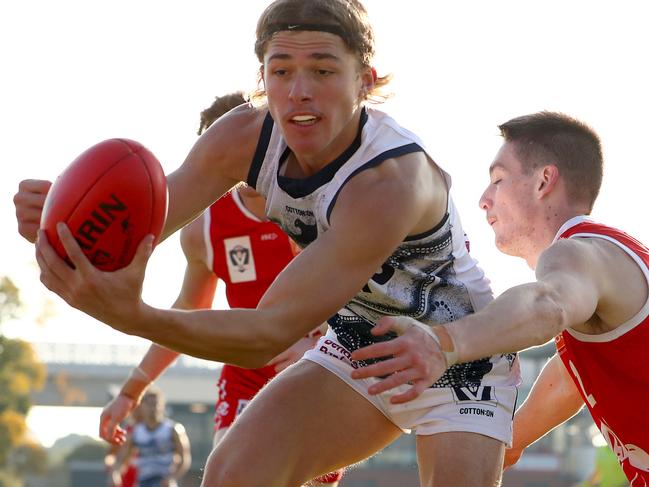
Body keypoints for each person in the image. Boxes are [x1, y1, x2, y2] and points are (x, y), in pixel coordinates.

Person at [15, 1, 520, 485]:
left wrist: (132, 316)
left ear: (364, 82)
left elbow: (267, 334)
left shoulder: (387, 182)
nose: (299, 91)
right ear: (262, 80)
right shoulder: (241, 137)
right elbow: (145, 222)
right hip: (360, 337)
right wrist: (67, 220)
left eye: (322, 71)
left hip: (458, 351)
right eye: (281, 71)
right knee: (234, 476)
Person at [350, 111, 649, 485]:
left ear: (544, 182)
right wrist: (514, 439)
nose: (483, 200)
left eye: (498, 180)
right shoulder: (612, 261)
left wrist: (444, 342)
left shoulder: (576, 252)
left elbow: (547, 304)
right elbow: (572, 374)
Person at [99, 92, 342, 487]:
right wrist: (131, 392)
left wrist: (318, 346)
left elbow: (366, 293)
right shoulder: (203, 228)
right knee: (225, 477)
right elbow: (187, 313)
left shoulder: (323, 201)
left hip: (322, 367)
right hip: (246, 373)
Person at [111, 388, 191, 487]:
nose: (153, 408)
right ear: (142, 406)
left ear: (162, 406)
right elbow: (121, 459)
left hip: (164, 481)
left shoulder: (173, 430)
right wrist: (115, 474)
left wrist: (172, 477)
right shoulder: (137, 432)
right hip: (143, 481)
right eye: (149, 404)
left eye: (156, 404)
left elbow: (185, 459)